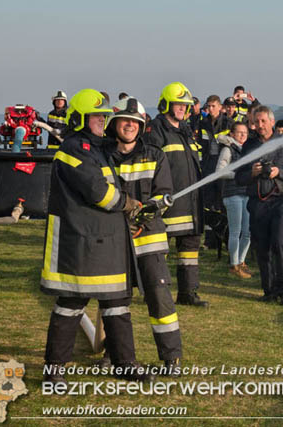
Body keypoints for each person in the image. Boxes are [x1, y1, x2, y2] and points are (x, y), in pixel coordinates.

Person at [41, 88, 152, 384]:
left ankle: (125, 364)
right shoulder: (73, 149)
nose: (103, 121)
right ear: (79, 118)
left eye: (105, 116)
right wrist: (128, 204)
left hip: (105, 242)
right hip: (80, 243)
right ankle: (55, 371)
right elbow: (96, 191)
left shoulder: (97, 147)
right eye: (96, 116)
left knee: (118, 304)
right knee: (71, 306)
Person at [105, 96, 182, 373]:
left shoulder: (155, 155)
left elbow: (163, 196)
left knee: (159, 298)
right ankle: (114, 354)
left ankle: (171, 358)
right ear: (115, 124)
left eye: (135, 122)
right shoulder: (104, 157)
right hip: (115, 240)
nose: (130, 126)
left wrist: (143, 216)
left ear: (142, 126)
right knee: (114, 301)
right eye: (125, 121)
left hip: (148, 239)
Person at [144, 82, 208, 307]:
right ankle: (156, 292)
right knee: (159, 250)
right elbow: (150, 166)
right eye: (178, 104)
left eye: (185, 105)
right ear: (166, 105)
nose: (182, 109)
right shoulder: (156, 129)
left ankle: (188, 293)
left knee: (190, 251)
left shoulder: (185, 131)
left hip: (190, 204)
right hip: (168, 202)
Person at [235, 106, 283, 305]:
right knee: (262, 248)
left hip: (279, 202)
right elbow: (239, 177)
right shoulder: (248, 146)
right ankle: (269, 289)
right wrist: (253, 173)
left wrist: (278, 172)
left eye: (264, 121)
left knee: (281, 243)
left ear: (272, 122)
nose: (260, 125)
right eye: (257, 122)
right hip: (257, 204)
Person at [215, 122, 251, 279]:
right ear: (232, 134)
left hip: (247, 193)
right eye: (239, 132)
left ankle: (241, 262)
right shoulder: (227, 149)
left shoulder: (247, 150)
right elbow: (219, 172)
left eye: (245, 132)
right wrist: (237, 175)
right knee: (235, 231)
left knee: (248, 231)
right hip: (232, 193)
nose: (242, 135)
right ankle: (234, 264)